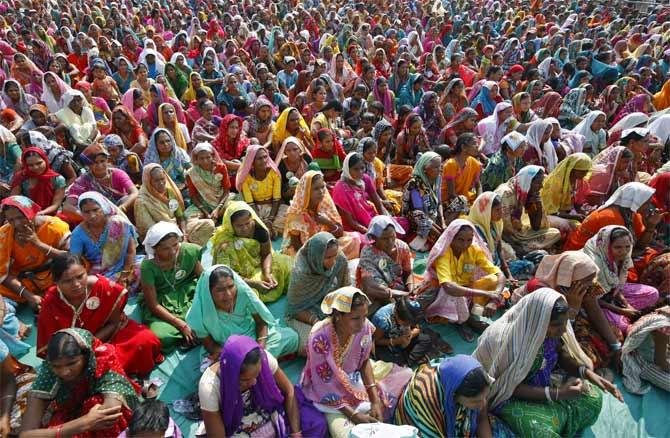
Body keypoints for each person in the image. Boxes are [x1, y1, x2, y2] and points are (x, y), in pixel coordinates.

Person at [474, 289, 622, 437]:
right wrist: (558, 394)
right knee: (541, 432)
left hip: (544, 388)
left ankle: (560, 418)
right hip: (509, 397)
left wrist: (587, 373)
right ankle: (558, 419)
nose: (564, 329)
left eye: (565, 322)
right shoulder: (506, 340)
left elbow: (560, 354)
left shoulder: (547, 332)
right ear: (539, 321)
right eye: (557, 325)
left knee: (594, 399)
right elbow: (505, 386)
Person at [300, 287, 413, 438]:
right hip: (326, 394)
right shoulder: (319, 337)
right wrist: (353, 415)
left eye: (364, 316)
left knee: (406, 377)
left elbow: (364, 361)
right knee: (347, 434)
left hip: (353, 376)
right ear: (339, 315)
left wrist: (374, 400)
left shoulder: (364, 327)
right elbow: (323, 385)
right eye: (355, 318)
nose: (361, 324)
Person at [37, 254, 163, 377]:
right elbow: (54, 345)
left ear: (86, 271)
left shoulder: (102, 286)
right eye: (68, 281)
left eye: (80, 276)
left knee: (146, 340)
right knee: (83, 368)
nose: (76, 284)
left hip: (111, 333)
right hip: (75, 350)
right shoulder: (50, 304)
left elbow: (114, 323)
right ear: (56, 282)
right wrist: (80, 351)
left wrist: (88, 344)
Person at [198, 335, 326, 437]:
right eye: (245, 380)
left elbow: (288, 391)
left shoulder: (262, 358)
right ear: (231, 375)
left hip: (266, 408)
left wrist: (296, 433)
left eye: (257, 376)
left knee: (316, 424)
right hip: (235, 425)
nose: (254, 382)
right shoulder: (209, 387)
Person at [21, 329, 140, 437]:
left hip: (95, 419)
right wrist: (85, 422)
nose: (65, 372)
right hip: (73, 418)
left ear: (86, 356)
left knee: (98, 405)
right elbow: (26, 435)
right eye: (56, 366)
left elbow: (110, 410)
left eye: (72, 363)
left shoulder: (102, 359)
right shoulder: (48, 374)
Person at [186, 264, 298, 360]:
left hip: (253, 339)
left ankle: (260, 364)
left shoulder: (243, 293)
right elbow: (209, 344)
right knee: (217, 372)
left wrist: (260, 348)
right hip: (226, 349)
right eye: (220, 290)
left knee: (292, 337)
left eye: (231, 287)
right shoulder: (200, 312)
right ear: (208, 291)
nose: (229, 294)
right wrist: (233, 356)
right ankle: (263, 365)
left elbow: (261, 323)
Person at [422, 219, 506, 341]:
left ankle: (469, 314)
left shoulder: (474, 250)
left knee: (493, 280)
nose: (465, 244)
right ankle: (463, 322)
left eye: (469, 240)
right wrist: (485, 293)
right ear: (451, 238)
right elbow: (448, 286)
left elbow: (500, 274)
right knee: (454, 294)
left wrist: (494, 298)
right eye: (460, 240)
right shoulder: (444, 254)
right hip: (445, 291)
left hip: (467, 287)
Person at [395, 355, 514, 438]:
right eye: (475, 401)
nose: (482, 404)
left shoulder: (475, 377)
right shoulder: (427, 401)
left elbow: (481, 418)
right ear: (453, 395)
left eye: (485, 397)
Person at [582, 226, 660, 337]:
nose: (623, 252)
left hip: (610, 294)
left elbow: (615, 285)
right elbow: (590, 299)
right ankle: (623, 317)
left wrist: (627, 305)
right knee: (623, 326)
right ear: (606, 245)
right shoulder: (593, 263)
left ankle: (627, 315)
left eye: (627, 247)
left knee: (652, 293)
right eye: (618, 247)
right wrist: (622, 310)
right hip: (596, 302)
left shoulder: (620, 257)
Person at [140, 221, 203, 354]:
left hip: (189, 294)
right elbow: (153, 304)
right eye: (165, 248)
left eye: (175, 245)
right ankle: (192, 334)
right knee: (161, 337)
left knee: (211, 313)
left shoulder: (189, 251)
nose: (173, 251)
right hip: (162, 303)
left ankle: (191, 335)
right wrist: (180, 324)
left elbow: (204, 280)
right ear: (155, 249)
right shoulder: (148, 267)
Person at [211, 201, 292, 303]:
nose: (245, 228)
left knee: (285, 263)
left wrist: (267, 273)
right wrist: (253, 283)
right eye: (239, 226)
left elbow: (266, 253)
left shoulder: (260, 231)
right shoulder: (224, 243)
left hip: (259, 266)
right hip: (237, 277)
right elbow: (224, 275)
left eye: (247, 223)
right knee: (242, 294)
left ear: (252, 220)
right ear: (230, 225)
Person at [0, 196, 70, 308]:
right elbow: (3, 274)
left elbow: (71, 258)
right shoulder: (4, 234)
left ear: (32, 212)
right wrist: (29, 296)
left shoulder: (55, 227)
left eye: (21, 217)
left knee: (76, 272)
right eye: (11, 220)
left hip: (51, 276)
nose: (17, 224)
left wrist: (38, 244)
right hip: (22, 281)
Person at [286, 232, 351, 352]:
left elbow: (345, 288)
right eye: (327, 258)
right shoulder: (301, 272)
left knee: (353, 329)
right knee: (316, 343)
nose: (333, 262)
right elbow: (295, 309)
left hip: (331, 304)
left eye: (334, 256)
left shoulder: (339, 259)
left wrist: (340, 312)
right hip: (307, 311)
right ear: (316, 256)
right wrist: (317, 322)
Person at [281, 170, 361, 259]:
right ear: (306, 191)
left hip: (328, 247)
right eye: (316, 189)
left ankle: (328, 260)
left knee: (354, 239)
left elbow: (340, 232)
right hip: (306, 251)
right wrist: (314, 257)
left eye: (323, 187)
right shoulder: (296, 212)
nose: (321, 192)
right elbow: (296, 244)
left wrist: (327, 222)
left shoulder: (325, 204)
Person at [70, 192, 138, 285]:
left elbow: (131, 251)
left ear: (103, 207)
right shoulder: (78, 234)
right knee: (100, 285)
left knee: (145, 268)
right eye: (86, 212)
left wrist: (125, 275)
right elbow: (75, 260)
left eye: (96, 210)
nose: (92, 215)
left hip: (127, 265)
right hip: (100, 273)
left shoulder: (118, 223)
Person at [494, 165, 562, 255]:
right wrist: (515, 244)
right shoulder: (505, 194)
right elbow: (503, 228)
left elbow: (536, 226)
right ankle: (523, 249)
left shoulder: (527, 192)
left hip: (520, 234)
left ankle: (526, 248)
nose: (541, 186)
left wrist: (538, 205)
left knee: (555, 233)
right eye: (538, 183)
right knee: (509, 249)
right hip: (505, 236)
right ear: (528, 181)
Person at [63, 143, 138, 220]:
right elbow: (67, 207)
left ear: (107, 160)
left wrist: (121, 209)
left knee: (131, 200)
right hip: (97, 215)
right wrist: (90, 217)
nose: (100, 166)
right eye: (95, 163)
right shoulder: (83, 181)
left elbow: (134, 193)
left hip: (121, 212)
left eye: (102, 161)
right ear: (88, 165)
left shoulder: (118, 173)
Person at [357, 216, 414, 314]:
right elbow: (370, 287)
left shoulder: (402, 247)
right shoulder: (368, 253)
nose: (390, 242)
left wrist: (411, 288)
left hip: (399, 290)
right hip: (379, 294)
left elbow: (408, 272)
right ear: (374, 238)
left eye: (393, 237)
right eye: (384, 239)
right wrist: (403, 294)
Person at [236, 144, 287, 238]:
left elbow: (276, 199)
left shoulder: (273, 173)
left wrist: (271, 219)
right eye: (259, 158)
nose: (264, 161)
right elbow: (250, 202)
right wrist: (259, 219)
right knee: (240, 216)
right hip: (254, 209)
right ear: (252, 161)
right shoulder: (245, 177)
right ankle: (267, 230)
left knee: (288, 214)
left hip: (272, 208)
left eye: (265, 157)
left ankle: (266, 229)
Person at [184, 142, 231, 243]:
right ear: (196, 159)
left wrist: (218, 208)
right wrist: (205, 212)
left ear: (213, 157)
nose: (205, 161)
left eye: (208, 157)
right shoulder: (191, 173)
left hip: (221, 201)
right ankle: (206, 228)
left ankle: (219, 225)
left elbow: (226, 190)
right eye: (201, 158)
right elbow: (193, 196)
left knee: (235, 207)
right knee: (188, 215)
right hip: (202, 204)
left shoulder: (221, 168)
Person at [333, 152, 385, 233]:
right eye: (356, 169)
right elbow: (350, 222)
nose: (360, 172)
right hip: (355, 228)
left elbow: (377, 201)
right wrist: (369, 232)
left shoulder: (365, 179)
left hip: (370, 217)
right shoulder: (340, 189)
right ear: (347, 169)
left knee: (402, 224)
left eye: (362, 168)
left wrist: (383, 220)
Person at [401, 151, 444, 251]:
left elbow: (439, 203)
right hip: (417, 222)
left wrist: (442, 222)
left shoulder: (437, 180)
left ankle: (442, 233)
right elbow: (420, 210)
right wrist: (438, 229)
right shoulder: (415, 183)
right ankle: (441, 238)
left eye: (440, 166)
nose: (440, 169)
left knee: (460, 201)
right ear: (425, 169)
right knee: (418, 214)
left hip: (434, 216)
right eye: (436, 167)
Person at [622, 306, 670, 394]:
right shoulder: (664, 326)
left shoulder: (665, 312)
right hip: (643, 361)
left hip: (655, 351)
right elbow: (660, 361)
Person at [540, 153, 592, 233]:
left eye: (586, 171)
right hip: (549, 215)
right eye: (582, 171)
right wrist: (573, 217)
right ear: (572, 169)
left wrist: (586, 215)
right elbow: (551, 211)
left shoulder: (581, 183)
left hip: (568, 214)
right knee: (568, 226)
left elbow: (578, 206)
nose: (585, 174)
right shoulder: (555, 183)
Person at [134, 164, 186, 241]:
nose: (161, 183)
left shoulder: (169, 192)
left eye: (162, 179)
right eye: (156, 180)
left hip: (176, 231)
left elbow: (179, 216)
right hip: (159, 239)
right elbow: (148, 229)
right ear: (148, 181)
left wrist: (184, 234)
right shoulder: (142, 201)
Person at [10, 147, 66, 216]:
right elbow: (13, 200)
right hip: (26, 213)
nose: (35, 167)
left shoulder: (57, 179)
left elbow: (55, 205)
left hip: (51, 215)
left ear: (45, 160)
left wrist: (41, 213)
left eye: (39, 163)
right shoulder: (21, 177)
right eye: (30, 165)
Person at [441, 132, 482, 205]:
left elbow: (478, 185)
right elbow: (452, 195)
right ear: (463, 147)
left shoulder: (474, 162)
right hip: (450, 201)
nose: (477, 146)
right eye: (474, 143)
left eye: (477, 143)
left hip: (466, 198)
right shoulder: (451, 164)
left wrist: (479, 200)